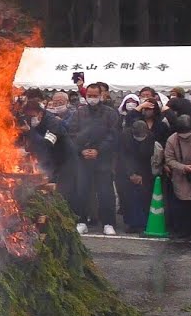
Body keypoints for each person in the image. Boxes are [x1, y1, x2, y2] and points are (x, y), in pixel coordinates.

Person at [68, 83, 119, 235]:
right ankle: (81, 221)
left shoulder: (110, 113)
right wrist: (81, 150)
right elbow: (72, 134)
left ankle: (108, 223)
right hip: (83, 158)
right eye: (89, 95)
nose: (92, 98)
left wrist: (99, 150)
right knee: (81, 191)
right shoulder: (79, 112)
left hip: (103, 159)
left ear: (101, 95)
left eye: (95, 95)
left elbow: (113, 135)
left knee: (105, 192)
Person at [118, 119, 160, 233]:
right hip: (126, 170)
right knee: (128, 197)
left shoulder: (150, 137)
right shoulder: (125, 136)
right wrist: (131, 174)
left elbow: (147, 156)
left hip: (144, 170)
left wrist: (140, 175)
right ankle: (131, 223)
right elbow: (123, 156)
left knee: (143, 195)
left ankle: (143, 223)